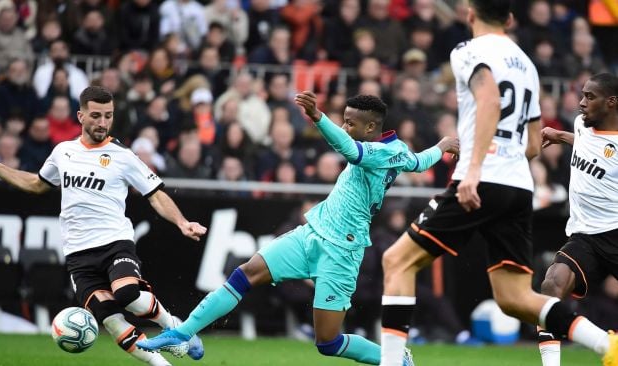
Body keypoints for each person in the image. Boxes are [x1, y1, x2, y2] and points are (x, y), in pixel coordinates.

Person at [136, 91, 459, 364]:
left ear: (372, 127)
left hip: (342, 252)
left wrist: (318, 117)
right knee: (246, 273)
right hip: (311, 234)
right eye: (343, 120)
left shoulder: (378, 153)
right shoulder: (399, 149)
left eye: (351, 123)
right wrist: (442, 146)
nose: (345, 126)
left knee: (327, 342)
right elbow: (420, 161)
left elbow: (349, 150)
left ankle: (396, 360)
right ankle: (181, 332)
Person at [378, 2, 618, 366]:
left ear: (470, 15)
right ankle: (606, 345)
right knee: (516, 298)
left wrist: (473, 169)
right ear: (509, 19)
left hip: (484, 176)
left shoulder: (467, 51)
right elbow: (535, 145)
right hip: (518, 185)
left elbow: (489, 98)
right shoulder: (527, 65)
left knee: (396, 262)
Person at [0, 86, 208, 366]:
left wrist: (182, 222)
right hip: (78, 254)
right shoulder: (63, 152)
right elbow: (36, 184)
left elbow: (155, 194)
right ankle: (162, 365)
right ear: (81, 116)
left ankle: (175, 327)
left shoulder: (123, 156)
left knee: (127, 293)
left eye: (108, 116)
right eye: (96, 115)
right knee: (112, 320)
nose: (103, 123)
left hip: (115, 242)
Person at [536, 73, 618, 366]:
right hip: (584, 236)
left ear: (611, 103)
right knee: (551, 284)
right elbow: (589, 146)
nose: (581, 103)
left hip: (615, 232)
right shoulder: (582, 124)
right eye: (582, 95)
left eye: (590, 97)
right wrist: (561, 137)